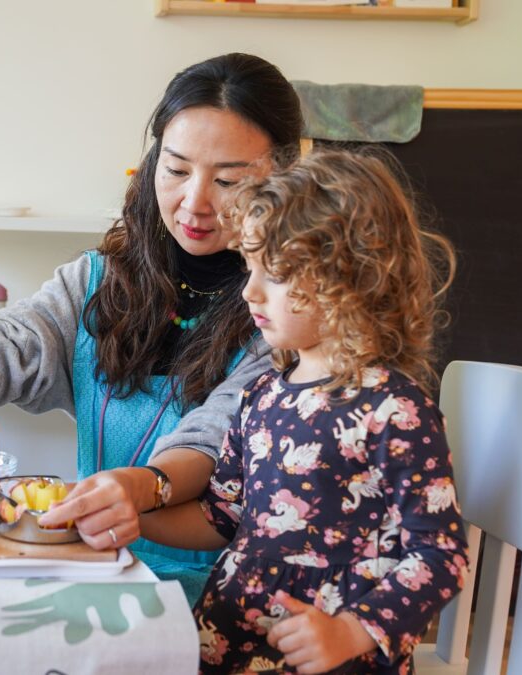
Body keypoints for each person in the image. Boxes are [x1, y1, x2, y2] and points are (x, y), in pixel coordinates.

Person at [0, 53, 303, 600]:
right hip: (92, 568)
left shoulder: (283, 311)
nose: (194, 202)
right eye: (175, 169)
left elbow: (213, 442)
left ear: (283, 177)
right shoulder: (99, 279)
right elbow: (2, 344)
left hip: (223, 593)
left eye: (229, 180)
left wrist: (135, 488)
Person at [142, 149, 469, 673]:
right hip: (232, 644)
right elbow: (221, 516)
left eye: (273, 273)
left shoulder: (396, 410)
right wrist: (130, 519)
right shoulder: (262, 395)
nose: (249, 291)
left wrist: (349, 632)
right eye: (249, 268)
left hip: (333, 658)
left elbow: (440, 557)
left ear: (349, 277)